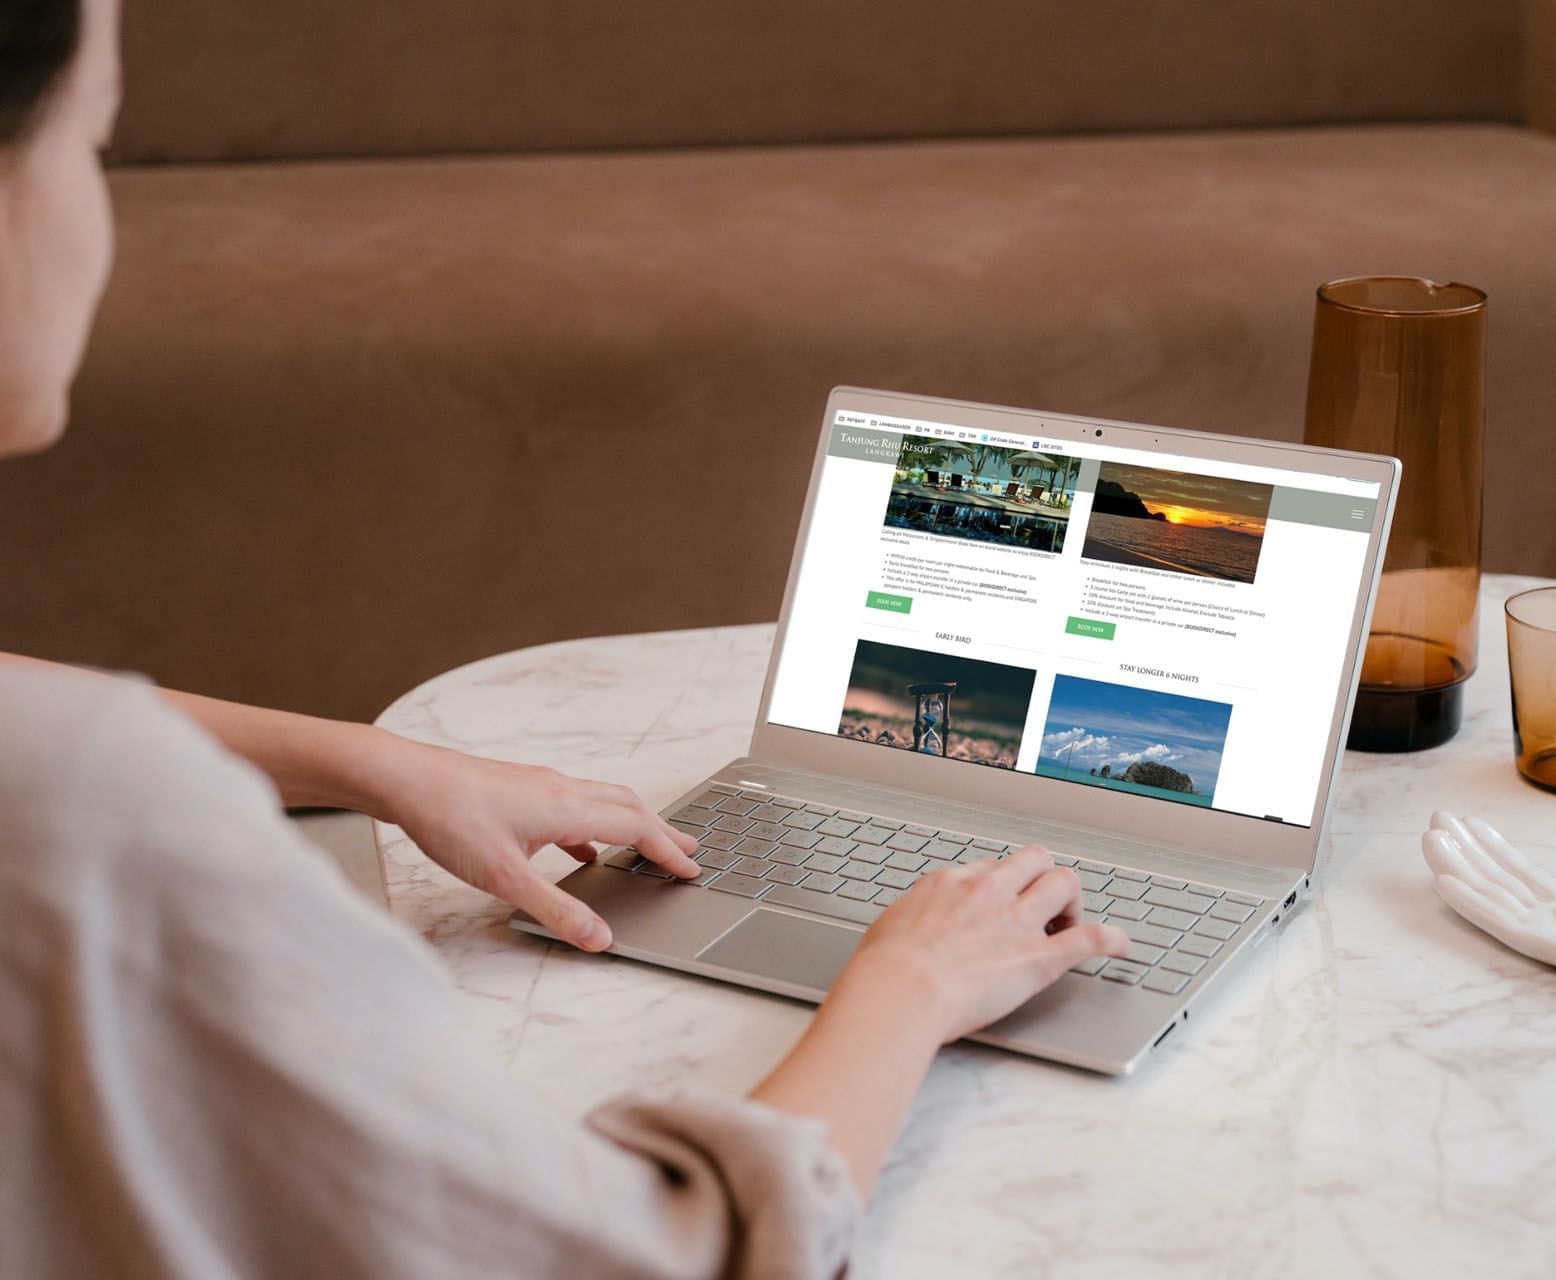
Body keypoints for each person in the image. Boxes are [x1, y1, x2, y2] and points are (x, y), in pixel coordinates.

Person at [0, 3, 1129, 1276]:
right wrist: (912, 983)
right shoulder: (92, 824)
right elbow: (645, 1254)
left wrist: (378, 760)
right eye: (94, 143)